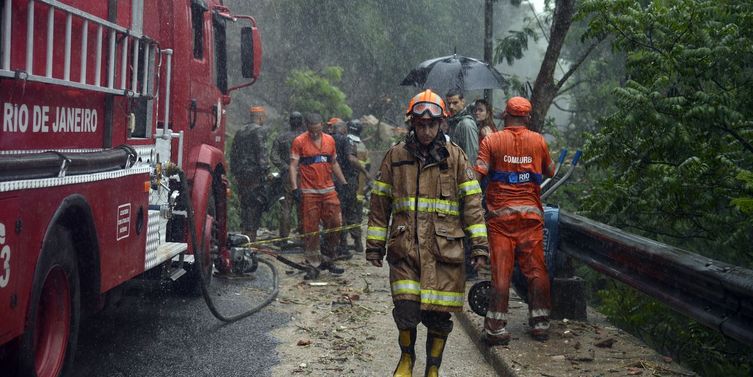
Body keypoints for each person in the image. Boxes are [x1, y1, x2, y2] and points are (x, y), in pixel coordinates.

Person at [366, 89, 489, 377]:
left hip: (443, 251)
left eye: (431, 125)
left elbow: (473, 205)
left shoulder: (456, 159)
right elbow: (379, 204)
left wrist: (480, 247)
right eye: (420, 125)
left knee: (438, 316)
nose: (425, 131)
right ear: (412, 124)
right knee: (406, 311)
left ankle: (433, 369)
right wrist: (374, 246)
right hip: (405, 249)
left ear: (441, 124)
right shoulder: (395, 157)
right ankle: (406, 359)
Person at [474, 96, 555, 345]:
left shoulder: (492, 141)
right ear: (527, 118)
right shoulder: (538, 141)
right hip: (530, 218)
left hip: (501, 219)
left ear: (504, 115)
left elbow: (477, 174)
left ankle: (496, 327)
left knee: (501, 272)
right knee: (536, 270)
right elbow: (550, 171)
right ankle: (540, 322)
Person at [290, 112, 349, 280]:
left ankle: (329, 257)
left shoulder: (330, 140)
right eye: (312, 130)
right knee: (311, 229)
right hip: (309, 192)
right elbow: (293, 166)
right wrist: (295, 188)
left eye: (317, 129)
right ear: (307, 128)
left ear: (321, 125)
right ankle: (313, 264)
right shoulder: (299, 141)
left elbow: (334, 162)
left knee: (336, 223)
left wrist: (343, 182)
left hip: (328, 190)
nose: (315, 133)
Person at [446, 89, 480, 280]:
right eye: (449, 103)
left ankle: (469, 268)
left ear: (463, 102)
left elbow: (470, 157)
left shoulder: (465, 125)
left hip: (464, 183)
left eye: (455, 103)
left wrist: (468, 187)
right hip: (454, 183)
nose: (451, 106)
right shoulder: (455, 123)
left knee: (466, 225)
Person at [230, 105, 270, 241]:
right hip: (255, 175)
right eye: (264, 117)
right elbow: (262, 152)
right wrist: (265, 171)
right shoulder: (259, 131)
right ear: (259, 117)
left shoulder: (240, 131)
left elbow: (233, 153)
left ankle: (243, 235)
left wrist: (235, 172)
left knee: (245, 205)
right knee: (255, 206)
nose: (264, 120)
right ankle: (250, 238)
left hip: (241, 175)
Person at [334, 120, 372, 255]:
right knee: (352, 213)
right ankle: (357, 242)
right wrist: (365, 173)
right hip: (354, 184)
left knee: (341, 212)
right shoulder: (362, 146)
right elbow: (367, 165)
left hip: (339, 182)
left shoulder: (335, 140)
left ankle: (343, 243)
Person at [270, 111, 305, 238]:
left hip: (287, 176)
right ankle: (304, 236)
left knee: (286, 206)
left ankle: (284, 238)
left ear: (290, 122)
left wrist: (286, 167)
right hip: (304, 176)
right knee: (303, 206)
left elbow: (273, 156)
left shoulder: (281, 137)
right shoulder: (306, 138)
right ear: (301, 122)